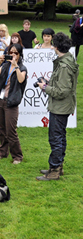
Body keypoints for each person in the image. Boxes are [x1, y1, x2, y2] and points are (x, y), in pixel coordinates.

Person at [36, 33, 79, 180]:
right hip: (62, 106)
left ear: (56, 47)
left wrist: (44, 87)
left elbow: (62, 91)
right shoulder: (66, 60)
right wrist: (49, 82)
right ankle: (57, 166)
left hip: (60, 106)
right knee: (59, 136)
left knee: (56, 138)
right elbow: (62, 84)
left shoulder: (64, 66)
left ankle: (54, 170)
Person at [0, 43, 27, 164]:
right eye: (10, 52)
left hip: (11, 102)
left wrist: (16, 66)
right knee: (2, 129)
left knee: (11, 131)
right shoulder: (5, 66)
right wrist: (0, 63)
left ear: (19, 54)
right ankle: (3, 152)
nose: (12, 55)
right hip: (1, 100)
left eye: (15, 53)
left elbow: (21, 79)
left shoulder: (22, 68)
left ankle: (17, 156)